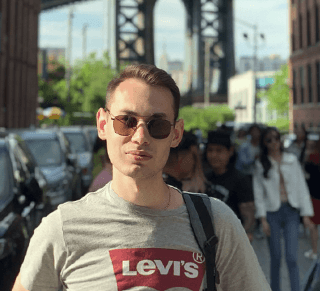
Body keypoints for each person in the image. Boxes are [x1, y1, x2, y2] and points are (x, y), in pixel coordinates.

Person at [13, 64, 271, 291]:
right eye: (126, 121)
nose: (140, 136)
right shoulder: (62, 228)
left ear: (176, 134)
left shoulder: (216, 222)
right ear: (103, 125)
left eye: (157, 125)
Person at [253, 126, 314, 291]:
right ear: (264, 143)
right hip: (271, 213)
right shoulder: (261, 164)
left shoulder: (291, 160)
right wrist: (262, 220)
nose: (274, 142)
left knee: (292, 257)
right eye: (269, 140)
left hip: (291, 211)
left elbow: (301, 187)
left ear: (280, 140)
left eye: (276, 138)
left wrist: (306, 215)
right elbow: (258, 193)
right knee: (275, 257)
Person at [203, 130, 256, 242]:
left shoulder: (240, 179)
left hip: (232, 240)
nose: (213, 155)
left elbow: (249, 214)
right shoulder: (204, 178)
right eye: (210, 150)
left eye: (219, 150)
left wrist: (245, 235)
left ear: (230, 151)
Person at [304, 139, 320, 260]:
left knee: (313, 225)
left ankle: (315, 251)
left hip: (315, 195)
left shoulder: (312, 156)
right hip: (315, 195)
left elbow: (307, 171)